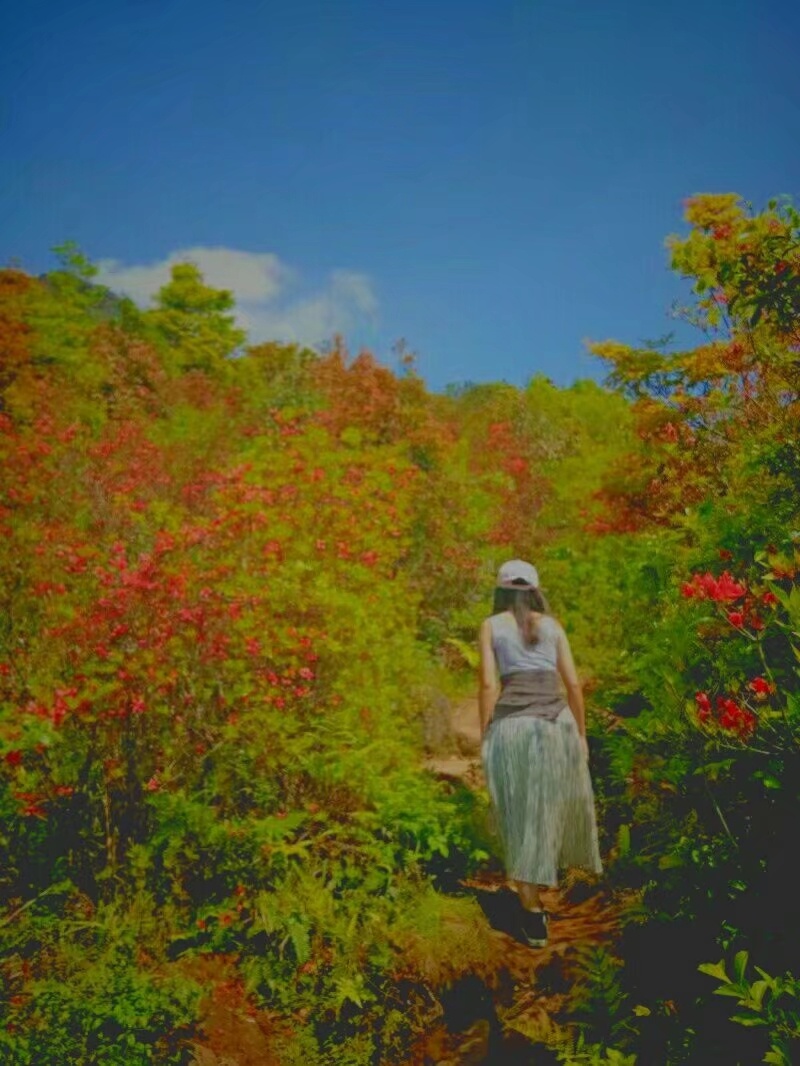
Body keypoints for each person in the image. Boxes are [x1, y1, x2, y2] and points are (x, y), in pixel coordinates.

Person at [478, 559, 602, 947]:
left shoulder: (491, 626)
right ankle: (536, 896)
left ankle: (531, 912)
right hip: (557, 725)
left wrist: (485, 734)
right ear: (535, 591)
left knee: (520, 813)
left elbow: (488, 685)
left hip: (514, 726)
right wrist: (581, 734)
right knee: (545, 812)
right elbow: (574, 685)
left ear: (501, 590)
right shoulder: (553, 626)